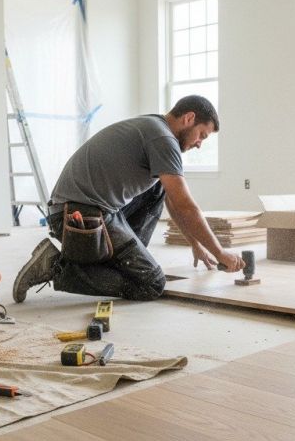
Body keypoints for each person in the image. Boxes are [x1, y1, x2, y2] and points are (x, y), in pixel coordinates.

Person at [12, 95, 244, 303]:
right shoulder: (163, 139)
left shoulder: (154, 126)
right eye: (202, 135)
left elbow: (174, 201)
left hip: (81, 208)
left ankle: (122, 261)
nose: (199, 144)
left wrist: (196, 244)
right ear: (189, 118)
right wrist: (220, 253)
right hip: (77, 217)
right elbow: (186, 206)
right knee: (151, 283)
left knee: (158, 189)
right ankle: (55, 267)